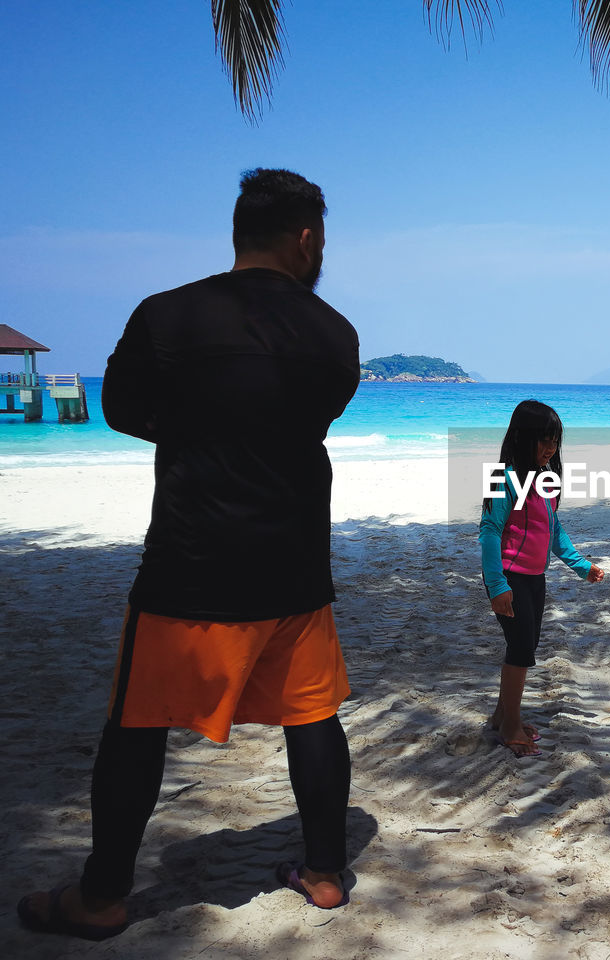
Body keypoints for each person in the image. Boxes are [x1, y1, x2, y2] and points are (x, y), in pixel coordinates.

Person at [17, 168, 361, 941]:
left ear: (239, 231)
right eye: (323, 241)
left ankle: (101, 897)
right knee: (312, 716)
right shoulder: (335, 334)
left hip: (192, 564)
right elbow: (313, 413)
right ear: (306, 239)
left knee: (137, 724)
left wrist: (200, 431)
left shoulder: (167, 315)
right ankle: (326, 873)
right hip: (296, 566)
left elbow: (121, 408)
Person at [479, 400, 604, 757]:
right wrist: (498, 585)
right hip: (508, 577)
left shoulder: (543, 481)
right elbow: (489, 532)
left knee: (526, 647)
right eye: (543, 441)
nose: (550, 449)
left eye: (555, 442)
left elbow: (553, 529)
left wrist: (580, 565)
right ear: (521, 437)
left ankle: (502, 717)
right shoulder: (503, 479)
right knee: (520, 652)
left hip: (535, 577)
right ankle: (510, 725)